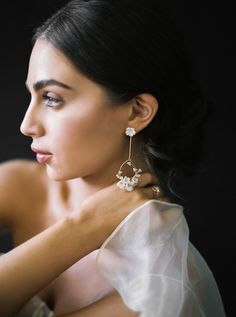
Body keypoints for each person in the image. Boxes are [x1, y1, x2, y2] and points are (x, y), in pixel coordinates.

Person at [0, 0, 226, 316]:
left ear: (136, 112)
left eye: (52, 98)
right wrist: (81, 228)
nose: (26, 125)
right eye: (32, 96)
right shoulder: (17, 185)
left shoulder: (160, 279)